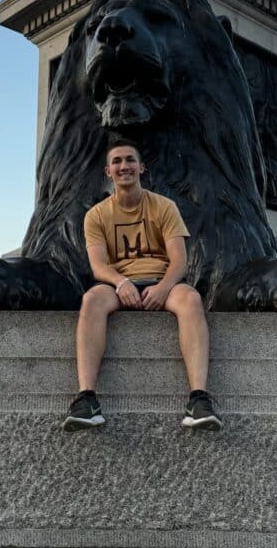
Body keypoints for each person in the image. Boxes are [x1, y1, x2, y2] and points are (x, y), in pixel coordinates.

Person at [63, 139, 222, 432]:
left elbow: (179, 261)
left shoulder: (165, 207)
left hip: (161, 281)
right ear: (108, 171)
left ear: (141, 167)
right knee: (92, 300)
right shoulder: (95, 215)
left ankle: (198, 400)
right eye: (117, 161)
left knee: (190, 299)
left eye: (130, 160)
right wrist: (121, 282)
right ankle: (87, 400)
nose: (124, 166)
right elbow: (98, 265)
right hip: (118, 284)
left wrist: (163, 287)